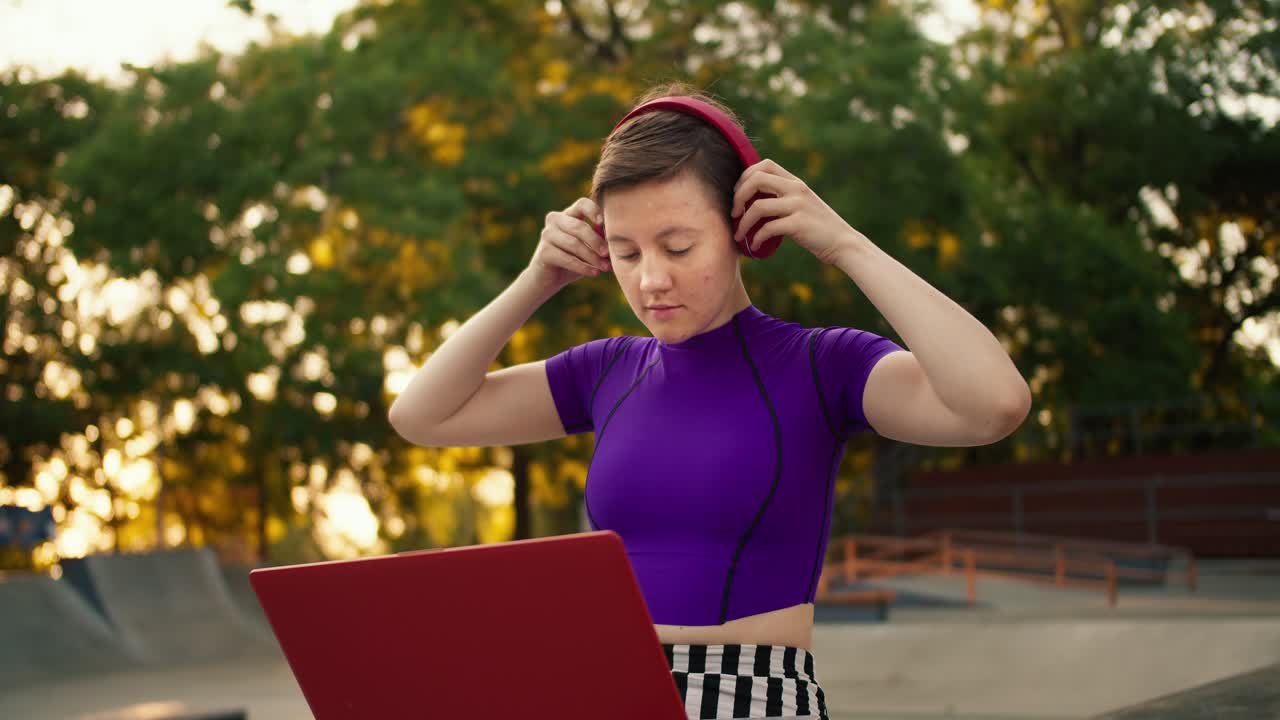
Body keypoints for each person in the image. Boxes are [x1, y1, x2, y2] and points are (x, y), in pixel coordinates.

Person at [388, 82, 1031, 720]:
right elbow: (422, 415)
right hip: (604, 689)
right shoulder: (606, 370)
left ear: (744, 232)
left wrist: (845, 245)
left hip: (749, 696)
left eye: (678, 246)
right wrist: (535, 281)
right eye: (625, 252)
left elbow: (994, 405)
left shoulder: (820, 365)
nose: (650, 280)